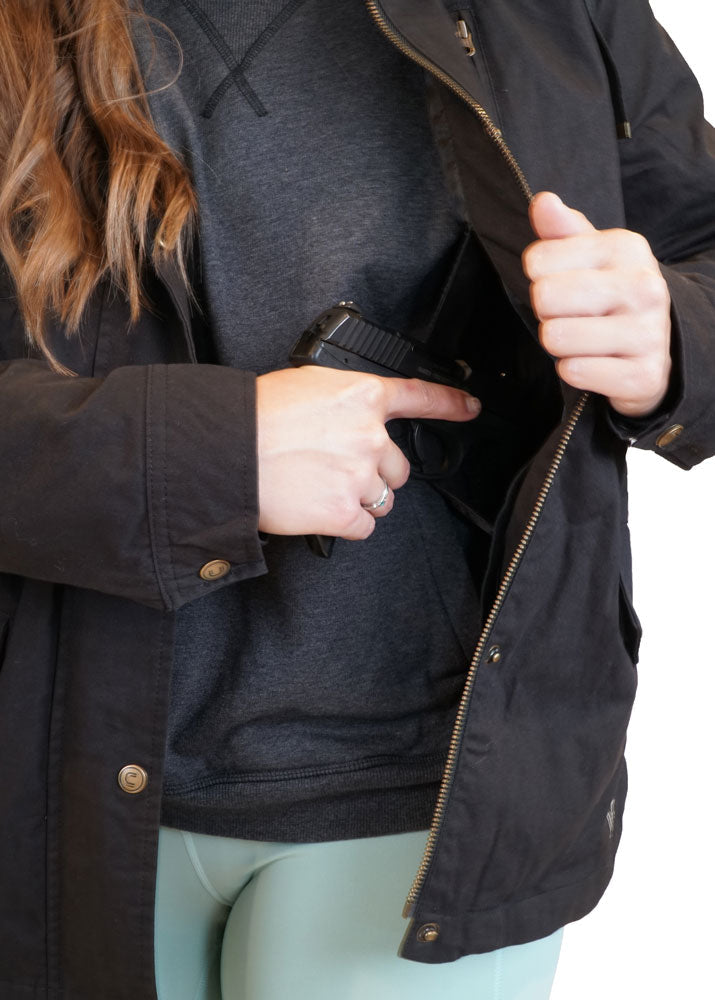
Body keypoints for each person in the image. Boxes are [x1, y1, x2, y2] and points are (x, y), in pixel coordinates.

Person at [0, 2, 713, 999]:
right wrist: (212, 454)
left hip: (430, 806)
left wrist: (669, 333)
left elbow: (701, 249)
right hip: (62, 786)